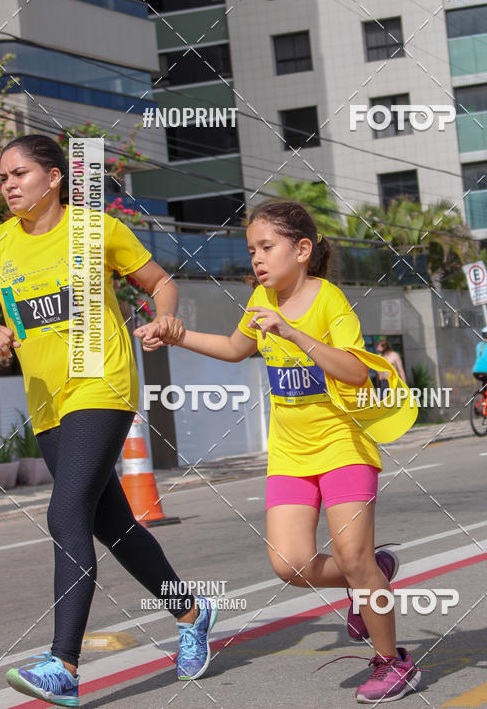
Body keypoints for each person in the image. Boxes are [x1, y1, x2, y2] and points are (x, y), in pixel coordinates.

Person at [135, 199, 421, 703]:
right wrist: (175, 334)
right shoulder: (260, 298)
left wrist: (293, 332)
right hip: (290, 452)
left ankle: (392, 661)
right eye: (252, 250)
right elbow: (234, 348)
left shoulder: (328, 299)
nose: (257, 259)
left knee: (353, 556)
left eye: (267, 247)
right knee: (290, 565)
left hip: (343, 443)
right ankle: (369, 577)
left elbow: (357, 372)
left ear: (302, 249)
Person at [0, 135, 216, 708]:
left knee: (64, 511)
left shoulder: (97, 230)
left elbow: (161, 283)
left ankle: (64, 666)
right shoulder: (1, 243)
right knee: (113, 525)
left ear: (54, 178)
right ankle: (191, 612)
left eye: (19, 174)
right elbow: (9, 317)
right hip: (47, 399)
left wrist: (165, 319)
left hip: (102, 383)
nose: (9, 185)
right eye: (3, 178)